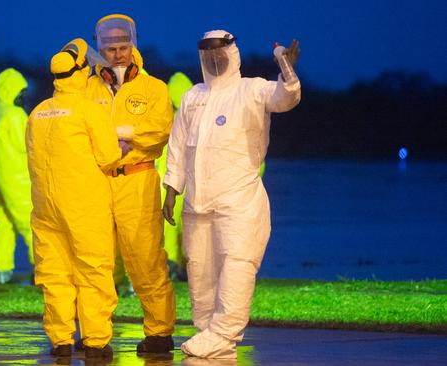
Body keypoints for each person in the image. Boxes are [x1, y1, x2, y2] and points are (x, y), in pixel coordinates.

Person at [163, 30, 301, 359]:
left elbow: (286, 98)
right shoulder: (192, 97)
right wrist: (171, 189)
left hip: (239, 201)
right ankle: (208, 332)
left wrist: (287, 68)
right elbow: (178, 147)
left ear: (232, 52)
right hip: (197, 203)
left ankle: (224, 332)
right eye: (207, 52)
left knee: (236, 266)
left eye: (219, 51)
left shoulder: (251, 89)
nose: (214, 58)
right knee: (199, 269)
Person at [85, 13, 176, 354]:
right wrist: (118, 141)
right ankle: (95, 335)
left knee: (146, 258)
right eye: (110, 49)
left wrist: (124, 139)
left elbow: (159, 131)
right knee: (95, 260)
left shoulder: (153, 88)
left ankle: (159, 331)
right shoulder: (85, 87)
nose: (118, 54)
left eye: (124, 47)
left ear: (133, 46)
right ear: (100, 50)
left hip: (137, 179)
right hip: (95, 183)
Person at [27, 38, 122, 359]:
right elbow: (109, 157)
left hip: (45, 207)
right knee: (93, 270)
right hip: (84, 205)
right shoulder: (88, 110)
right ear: (81, 73)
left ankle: (61, 339)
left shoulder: (38, 113)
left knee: (54, 274)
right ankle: (95, 339)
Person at [0, 68, 34, 284]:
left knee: (2, 220)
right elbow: (30, 144)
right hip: (17, 176)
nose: (23, 97)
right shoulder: (14, 114)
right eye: (21, 92)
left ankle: (2, 269)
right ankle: (43, 268)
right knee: (31, 221)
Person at [158, 71, 193, 281]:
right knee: (181, 226)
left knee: (171, 226)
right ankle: (181, 265)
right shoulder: (194, 118)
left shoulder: (167, 119)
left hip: (168, 179)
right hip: (181, 180)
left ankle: (174, 264)